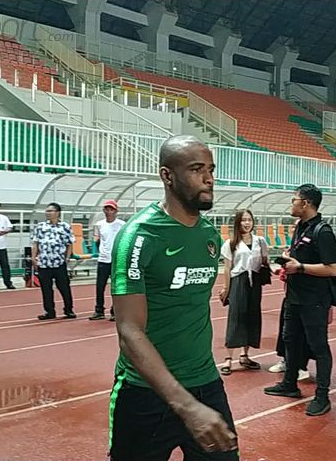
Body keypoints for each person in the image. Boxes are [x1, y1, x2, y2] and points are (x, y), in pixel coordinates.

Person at [108, 135, 238, 461]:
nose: (209, 178)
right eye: (196, 169)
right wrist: (186, 406)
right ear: (168, 176)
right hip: (145, 394)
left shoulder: (208, 234)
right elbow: (129, 331)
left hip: (205, 383)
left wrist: (197, 402)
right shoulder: (139, 237)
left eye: (211, 169)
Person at [263, 184, 336, 417]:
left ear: (305, 203)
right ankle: (289, 383)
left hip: (314, 300)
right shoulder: (301, 228)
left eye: (294, 199)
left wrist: (301, 267)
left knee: (318, 346)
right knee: (290, 340)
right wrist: (289, 260)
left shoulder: (322, 231)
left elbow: (332, 269)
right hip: (294, 297)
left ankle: (322, 396)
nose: (291, 203)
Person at [217, 209, 267, 375]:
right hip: (238, 281)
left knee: (252, 317)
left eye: (249, 220)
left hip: (255, 283)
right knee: (236, 317)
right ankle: (228, 358)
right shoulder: (230, 243)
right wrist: (226, 288)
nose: (247, 223)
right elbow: (227, 268)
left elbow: (265, 262)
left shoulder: (260, 241)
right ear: (237, 222)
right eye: (243, 220)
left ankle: (245, 355)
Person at [31, 202, 76, 320]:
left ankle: (68, 310)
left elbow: (69, 243)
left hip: (59, 262)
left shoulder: (65, 227)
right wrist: (33, 258)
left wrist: (67, 258)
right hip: (44, 263)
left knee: (64, 287)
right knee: (46, 289)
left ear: (57, 213)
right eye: (47, 211)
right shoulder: (40, 227)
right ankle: (49, 311)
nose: (48, 213)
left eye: (50, 211)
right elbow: (35, 243)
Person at [89, 199, 125, 321]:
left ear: (116, 211)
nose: (109, 211)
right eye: (107, 209)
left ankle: (115, 311)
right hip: (103, 260)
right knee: (100, 286)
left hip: (116, 260)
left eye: (111, 209)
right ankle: (99, 310)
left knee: (116, 287)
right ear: (104, 210)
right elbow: (96, 239)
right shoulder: (99, 224)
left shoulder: (122, 225)